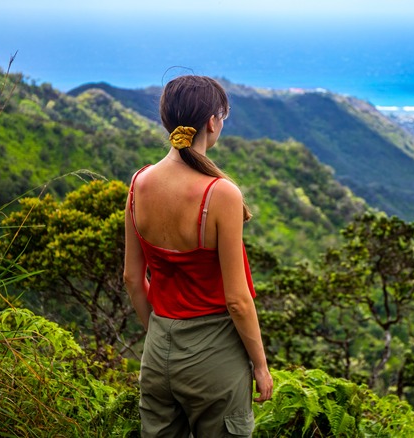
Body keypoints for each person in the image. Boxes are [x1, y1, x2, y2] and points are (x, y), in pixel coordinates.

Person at [123, 75, 272, 437]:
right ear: (212, 122)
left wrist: (159, 334)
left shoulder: (139, 182)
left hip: (158, 353)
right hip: (214, 358)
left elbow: (132, 278)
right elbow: (237, 300)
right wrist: (260, 366)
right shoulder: (220, 193)